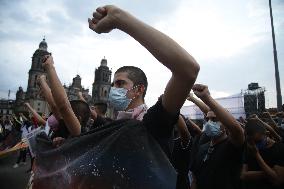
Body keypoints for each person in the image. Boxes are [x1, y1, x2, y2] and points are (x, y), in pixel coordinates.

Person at [33, 5, 199, 189]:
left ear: (139, 89)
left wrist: (122, 20)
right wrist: (70, 146)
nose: (113, 89)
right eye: (112, 84)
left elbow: (188, 70)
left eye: (120, 83)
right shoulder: (111, 127)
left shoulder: (152, 123)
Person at [189, 84, 244, 189]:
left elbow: (237, 130)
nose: (210, 123)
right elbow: (195, 177)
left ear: (225, 124)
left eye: (214, 120)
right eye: (208, 119)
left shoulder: (232, 145)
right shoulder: (202, 147)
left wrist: (207, 98)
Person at [241, 119, 284, 189]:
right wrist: (270, 173)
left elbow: (277, 181)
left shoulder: (280, 149)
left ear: (266, 134)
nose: (254, 145)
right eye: (250, 141)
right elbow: (243, 175)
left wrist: (257, 155)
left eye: (257, 142)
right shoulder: (248, 147)